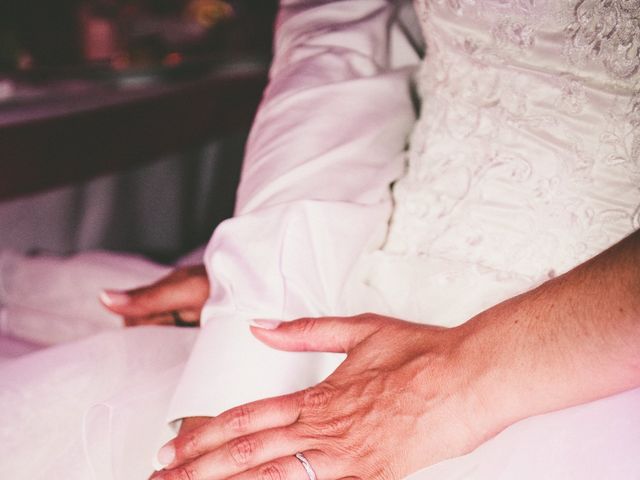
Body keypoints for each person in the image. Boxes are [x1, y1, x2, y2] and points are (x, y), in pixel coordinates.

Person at [2, 1, 639, 479]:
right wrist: (257, 315)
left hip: (593, 350)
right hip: (376, 273)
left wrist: (453, 386)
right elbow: (333, 46)